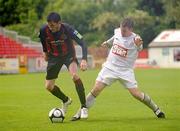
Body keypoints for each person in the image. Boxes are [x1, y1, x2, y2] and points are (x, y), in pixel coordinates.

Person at [72, 18, 165, 121]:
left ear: (131, 29)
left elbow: (140, 48)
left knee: (136, 94)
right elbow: (114, 38)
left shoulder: (136, 39)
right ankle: (79, 113)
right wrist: (107, 43)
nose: (122, 32)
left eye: (124, 31)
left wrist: (139, 45)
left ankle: (156, 109)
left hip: (125, 71)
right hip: (110, 67)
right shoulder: (117, 31)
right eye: (121, 29)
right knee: (96, 89)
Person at [39, 12, 88, 119]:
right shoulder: (43, 30)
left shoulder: (68, 29)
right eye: (49, 25)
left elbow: (83, 42)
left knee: (75, 76)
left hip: (68, 55)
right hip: (53, 57)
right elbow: (43, 43)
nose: (50, 28)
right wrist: (45, 54)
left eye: (53, 25)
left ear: (59, 23)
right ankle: (66, 100)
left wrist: (84, 59)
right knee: (48, 86)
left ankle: (84, 107)